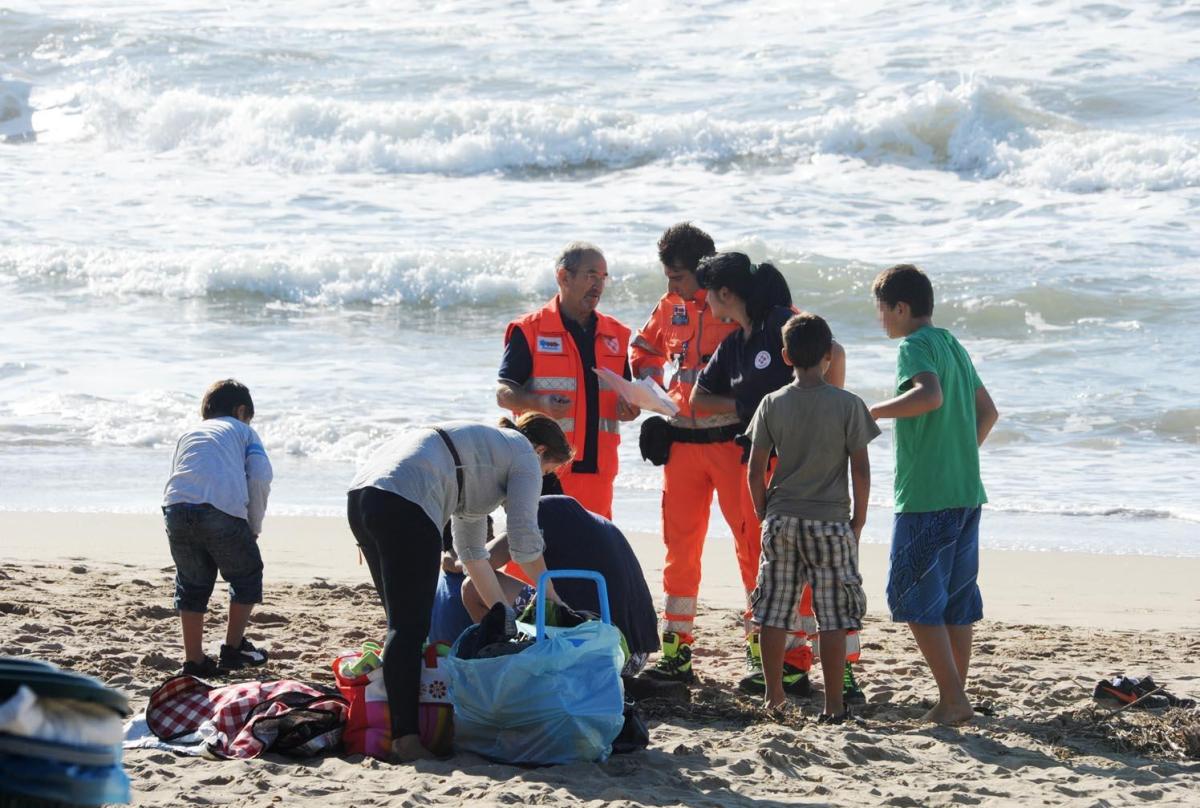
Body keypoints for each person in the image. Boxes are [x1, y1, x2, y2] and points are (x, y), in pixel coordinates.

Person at [686, 252, 865, 704]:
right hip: (765, 475)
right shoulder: (735, 343)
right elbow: (699, 400)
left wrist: (828, 412)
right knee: (778, 577)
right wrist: (751, 409)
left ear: (726, 293)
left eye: (708, 293)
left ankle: (841, 675)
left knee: (828, 580)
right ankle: (788, 668)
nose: (703, 302)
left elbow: (833, 352)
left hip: (807, 472)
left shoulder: (778, 321)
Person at [347, 415, 573, 761]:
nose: (541, 480)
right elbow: (524, 540)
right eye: (547, 472)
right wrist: (553, 598)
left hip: (364, 495)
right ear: (540, 450)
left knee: (401, 624)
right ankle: (406, 740)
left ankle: (398, 727)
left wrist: (504, 614)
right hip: (407, 499)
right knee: (408, 628)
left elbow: (471, 552)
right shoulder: (524, 455)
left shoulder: (482, 456)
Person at [868, 264, 999, 726]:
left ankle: (954, 699)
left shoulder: (915, 345)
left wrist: (872, 412)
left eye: (882, 310)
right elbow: (989, 411)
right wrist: (959, 453)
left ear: (901, 308)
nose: (881, 319)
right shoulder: (952, 345)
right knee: (954, 602)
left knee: (914, 597)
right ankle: (952, 700)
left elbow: (929, 396)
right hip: (965, 489)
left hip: (927, 495)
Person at [746, 313, 879, 719]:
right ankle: (834, 704)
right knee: (833, 615)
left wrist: (763, 511)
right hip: (831, 520)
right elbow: (861, 467)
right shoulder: (848, 404)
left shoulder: (772, 403)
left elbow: (755, 469)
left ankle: (775, 697)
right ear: (827, 356)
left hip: (783, 516)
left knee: (774, 611)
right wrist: (858, 519)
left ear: (785, 356)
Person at [628, 223, 743, 683]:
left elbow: (796, 342)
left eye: (677, 276)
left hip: (733, 445)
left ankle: (765, 653)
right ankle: (677, 652)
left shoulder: (737, 303)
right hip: (682, 446)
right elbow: (642, 350)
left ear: (702, 271)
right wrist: (652, 390)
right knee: (679, 551)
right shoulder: (668, 305)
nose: (670, 285)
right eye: (667, 277)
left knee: (752, 546)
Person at [497, 242, 639, 519]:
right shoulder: (529, 330)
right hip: (542, 467)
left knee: (593, 553)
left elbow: (626, 397)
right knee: (531, 553)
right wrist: (538, 402)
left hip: (599, 471)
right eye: (590, 275)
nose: (598, 285)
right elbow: (504, 394)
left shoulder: (616, 336)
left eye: (603, 277)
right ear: (564, 277)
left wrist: (630, 410)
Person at [458, 495, 659, 675]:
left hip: (603, 651)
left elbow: (477, 562)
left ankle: (499, 668)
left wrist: (451, 560)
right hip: (635, 654)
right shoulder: (572, 512)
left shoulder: (541, 512)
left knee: (472, 587)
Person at [162, 379, 273, 677]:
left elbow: (183, 471)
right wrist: (253, 524)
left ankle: (194, 660)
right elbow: (261, 477)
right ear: (241, 411)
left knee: (192, 583)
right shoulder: (244, 431)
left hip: (174, 507)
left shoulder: (189, 433)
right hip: (220, 509)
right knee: (246, 574)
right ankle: (233, 648)